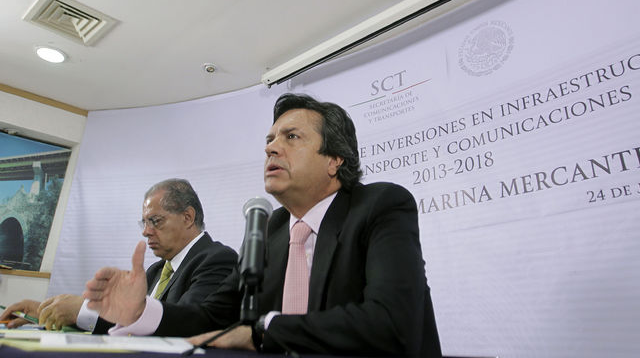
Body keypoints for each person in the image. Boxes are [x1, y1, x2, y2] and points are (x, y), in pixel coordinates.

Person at [84, 94, 442, 357]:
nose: (272, 148)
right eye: (270, 140)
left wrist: (264, 331)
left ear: (334, 159)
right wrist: (142, 311)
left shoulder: (380, 205)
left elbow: (391, 324)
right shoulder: (271, 228)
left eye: (291, 137)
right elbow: (212, 316)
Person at [1, 178, 238, 333]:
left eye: (155, 221)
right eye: (144, 223)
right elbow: (129, 323)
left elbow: (188, 324)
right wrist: (45, 311)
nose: (146, 231)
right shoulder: (156, 271)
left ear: (187, 217)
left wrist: (82, 309)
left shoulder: (218, 259)